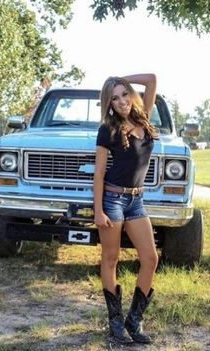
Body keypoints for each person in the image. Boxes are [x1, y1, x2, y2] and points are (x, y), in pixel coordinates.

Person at [93, 73, 159, 345]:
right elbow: (98, 174)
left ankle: (134, 320)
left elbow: (152, 79)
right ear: (109, 104)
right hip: (112, 200)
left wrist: (119, 77)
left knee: (150, 258)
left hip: (137, 201)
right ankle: (116, 323)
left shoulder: (144, 118)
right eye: (114, 98)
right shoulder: (107, 129)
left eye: (124, 94)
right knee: (111, 259)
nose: (121, 102)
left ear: (131, 94)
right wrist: (99, 211)